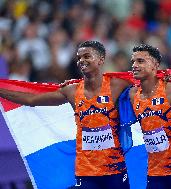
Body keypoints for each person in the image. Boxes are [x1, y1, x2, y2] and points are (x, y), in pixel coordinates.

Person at [0, 41, 132, 189]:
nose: (82, 60)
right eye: (79, 57)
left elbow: (148, 91)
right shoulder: (72, 91)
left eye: (87, 56)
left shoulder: (118, 85)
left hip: (115, 170)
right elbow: (31, 100)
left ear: (101, 59)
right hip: (86, 172)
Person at [128, 44, 171, 189]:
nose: (134, 65)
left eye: (140, 61)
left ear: (155, 64)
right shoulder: (133, 95)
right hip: (154, 171)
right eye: (133, 61)